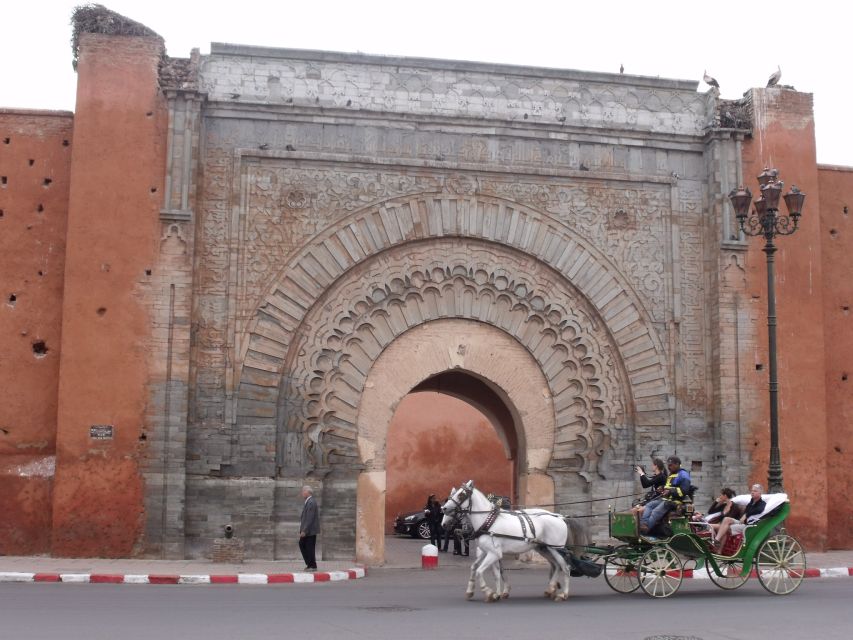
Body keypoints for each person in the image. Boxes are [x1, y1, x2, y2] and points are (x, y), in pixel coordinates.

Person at [639, 455, 691, 536]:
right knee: (649, 505)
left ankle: (645, 531)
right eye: (668, 465)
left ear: (677, 464)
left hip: (675, 502)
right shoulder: (671, 474)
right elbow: (668, 486)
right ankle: (643, 524)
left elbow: (684, 491)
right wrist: (662, 488)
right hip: (665, 499)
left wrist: (670, 491)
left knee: (655, 511)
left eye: (671, 465)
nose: (669, 467)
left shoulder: (683, 475)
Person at [712, 484, 766, 552]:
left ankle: (718, 548)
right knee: (726, 519)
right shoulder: (751, 501)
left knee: (723, 528)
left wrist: (746, 515)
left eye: (755, 491)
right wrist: (745, 514)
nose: (752, 492)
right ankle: (717, 540)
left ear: (760, 493)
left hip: (748, 526)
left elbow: (759, 510)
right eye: (752, 491)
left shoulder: (762, 503)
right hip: (742, 522)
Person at [299, 485, 320, 571]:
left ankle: (312, 565)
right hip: (309, 530)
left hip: (309, 531)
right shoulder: (309, 501)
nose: (302, 493)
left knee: (308, 546)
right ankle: (310, 564)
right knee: (305, 545)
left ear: (307, 492)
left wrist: (304, 530)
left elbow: (310, 518)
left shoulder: (311, 502)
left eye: (303, 491)